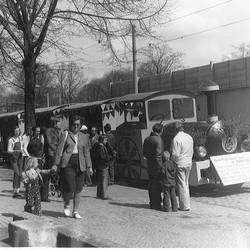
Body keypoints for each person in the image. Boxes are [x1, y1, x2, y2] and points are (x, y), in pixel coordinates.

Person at [52, 115, 93, 219]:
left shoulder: (84, 136)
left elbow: (86, 152)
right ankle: (66, 204)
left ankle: (75, 211)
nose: (76, 126)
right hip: (68, 163)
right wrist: (56, 164)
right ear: (70, 124)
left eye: (78, 124)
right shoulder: (65, 134)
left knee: (78, 189)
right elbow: (59, 150)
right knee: (70, 187)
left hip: (81, 163)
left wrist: (89, 166)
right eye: (74, 124)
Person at [171, 122, 193, 211]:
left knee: (181, 185)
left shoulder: (176, 139)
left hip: (180, 163)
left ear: (176, 129)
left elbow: (175, 154)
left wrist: (171, 159)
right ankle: (187, 204)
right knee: (186, 184)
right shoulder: (189, 137)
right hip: (188, 162)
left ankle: (184, 206)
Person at [143, 123, 164, 211]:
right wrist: (161, 167)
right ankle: (157, 204)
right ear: (161, 131)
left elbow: (144, 153)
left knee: (151, 184)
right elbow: (158, 156)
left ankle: (152, 202)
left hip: (150, 165)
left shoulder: (147, 139)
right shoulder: (159, 140)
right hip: (157, 166)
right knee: (158, 185)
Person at [43, 116, 61, 202]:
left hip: (56, 154)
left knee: (58, 174)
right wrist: (57, 150)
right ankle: (44, 195)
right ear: (54, 123)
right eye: (58, 122)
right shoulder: (49, 131)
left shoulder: (57, 131)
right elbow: (50, 143)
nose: (59, 124)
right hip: (51, 154)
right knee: (48, 174)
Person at [8, 127, 24, 198]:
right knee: (16, 173)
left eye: (18, 131)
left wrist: (23, 151)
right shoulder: (11, 140)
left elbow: (22, 147)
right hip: (14, 159)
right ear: (14, 132)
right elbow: (9, 150)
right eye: (16, 131)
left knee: (20, 174)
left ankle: (17, 191)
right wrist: (16, 151)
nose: (17, 132)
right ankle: (15, 191)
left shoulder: (21, 138)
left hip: (20, 158)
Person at [96, 135, 112, 199]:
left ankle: (99, 194)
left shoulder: (97, 146)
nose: (106, 141)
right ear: (102, 140)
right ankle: (104, 195)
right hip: (104, 165)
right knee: (104, 180)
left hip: (99, 165)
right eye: (105, 140)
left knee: (100, 180)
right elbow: (103, 157)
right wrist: (109, 158)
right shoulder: (102, 147)